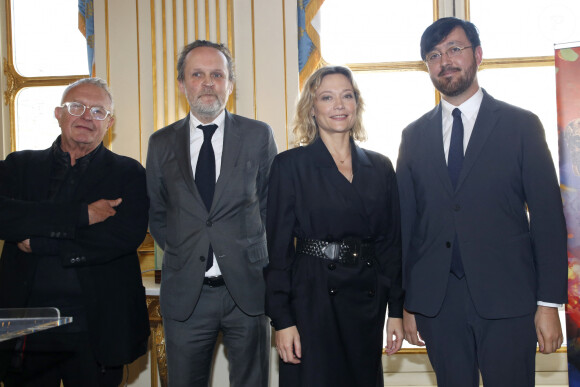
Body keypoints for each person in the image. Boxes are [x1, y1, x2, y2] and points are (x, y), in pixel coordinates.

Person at [397, 17, 568, 386]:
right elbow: (407, 226)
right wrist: (406, 304)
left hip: (509, 300)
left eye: (455, 49)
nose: (445, 61)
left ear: (477, 55)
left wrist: (550, 304)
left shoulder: (521, 126)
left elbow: (548, 219)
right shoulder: (413, 137)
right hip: (438, 305)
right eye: (434, 55)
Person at [0, 77, 150, 386]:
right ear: (58, 113)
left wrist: (42, 241)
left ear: (109, 122)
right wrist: (82, 215)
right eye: (77, 107)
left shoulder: (128, 172)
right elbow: (6, 217)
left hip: (96, 324)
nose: (86, 117)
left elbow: (123, 236)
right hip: (26, 324)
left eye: (98, 111)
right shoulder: (19, 166)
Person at [146, 40, 277, 387]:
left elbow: (269, 206)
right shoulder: (160, 143)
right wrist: (186, 249)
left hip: (247, 292)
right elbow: (157, 213)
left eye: (217, 74)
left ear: (230, 84)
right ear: (181, 84)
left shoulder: (258, 135)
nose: (207, 83)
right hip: (187, 294)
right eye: (197, 74)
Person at [265, 65, 404, 387]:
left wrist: (395, 309)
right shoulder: (290, 166)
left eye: (347, 96)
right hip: (312, 299)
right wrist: (282, 320)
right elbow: (278, 252)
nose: (339, 105)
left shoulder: (380, 166)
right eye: (327, 97)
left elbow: (391, 245)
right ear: (312, 109)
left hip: (367, 301)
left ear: (357, 104)